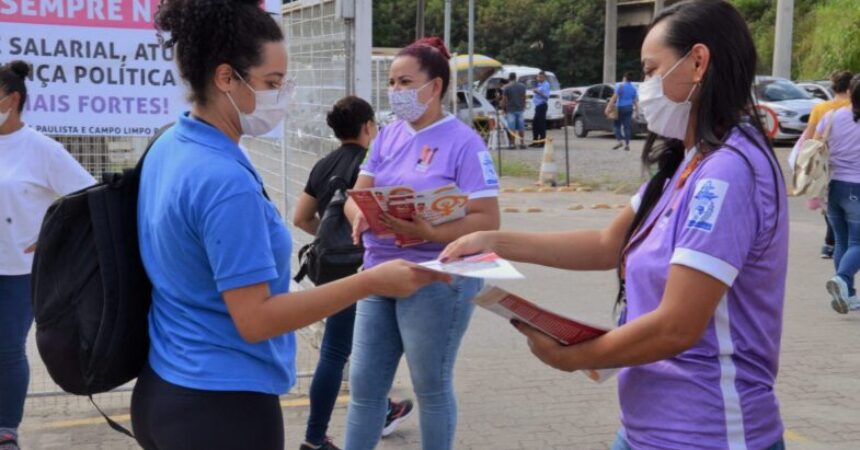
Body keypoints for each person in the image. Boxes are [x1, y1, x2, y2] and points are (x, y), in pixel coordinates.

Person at [442, 1, 788, 449]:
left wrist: (574, 358)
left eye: (650, 70)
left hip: (708, 434)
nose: (644, 88)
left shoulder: (726, 172)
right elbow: (608, 244)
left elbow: (675, 327)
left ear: (698, 62)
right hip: (649, 429)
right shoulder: (689, 163)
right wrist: (493, 241)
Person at [131, 2, 448, 450]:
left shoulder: (170, 143)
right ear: (226, 78)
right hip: (223, 407)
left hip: (165, 386)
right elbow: (257, 319)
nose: (282, 96)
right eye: (272, 83)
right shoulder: (224, 181)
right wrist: (371, 281)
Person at [343, 37, 501, 450]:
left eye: (405, 82)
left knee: (430, 385)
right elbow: (355, 195)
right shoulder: (387, 136)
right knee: (363, 386)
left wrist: (427, 232)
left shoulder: (465, 142)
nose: (395, 92)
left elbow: (487, 220)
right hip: (378, 273)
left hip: (435, 278)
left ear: (434, 88)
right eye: (392, 83)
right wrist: (359, 214)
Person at [292, 96, 414, 450]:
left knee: (335, 351)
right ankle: (331, 432)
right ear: (367, 127)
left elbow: (301, 217)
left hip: (331, 270)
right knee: (373, 348)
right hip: (367, 267)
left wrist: (330, 243)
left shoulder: (322, 165)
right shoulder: (371, 164)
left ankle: (319, 434)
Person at [0, 60, 96, 450]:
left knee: (5, 349)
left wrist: (53, 237)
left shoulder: (41, 149)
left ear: (12, 99)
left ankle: (6, 429)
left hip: (18, 271)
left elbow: (88, 197)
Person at [819, 75, 860, 314]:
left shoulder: (832, 116)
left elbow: (817, 144)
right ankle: (842, 279)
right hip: (857, 188)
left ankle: (850, 295)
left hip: (833, 187)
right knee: (857, 242)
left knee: (843, 242)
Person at [804, 70, 853, 259]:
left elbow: (810, 139)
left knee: (831, 205)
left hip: (826, 166)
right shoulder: (852, 108)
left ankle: (830, 242)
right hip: (852, 170)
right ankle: (835, 243)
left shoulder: (821, 109)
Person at [612, 72, 639, 151]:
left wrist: (609, 107)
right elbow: (635, 101)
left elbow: (615, 97)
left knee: (616, 125)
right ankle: (627, 145)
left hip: (620, 107)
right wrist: (637, 111)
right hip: (629, 108)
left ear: (625, 78)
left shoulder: (619, 86)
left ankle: (619, 141)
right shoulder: (634, 88)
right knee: (627, 127)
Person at [502, 72, 527, 149]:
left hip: (511, 109)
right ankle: (522, 143)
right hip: (520, 109)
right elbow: (524, 97)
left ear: (509, 78)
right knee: (521, 127)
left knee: (512, 127)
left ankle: (512, 144)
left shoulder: (506, 87)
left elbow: (504, 100)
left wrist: (503, 109)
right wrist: (523, 106)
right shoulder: (523, 86)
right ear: (516, 78)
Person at [530, 71, 551, 147]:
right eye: (537, 77)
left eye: (539, 77)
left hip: (542, 105)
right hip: (537, 105)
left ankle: (542, 142)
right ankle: (535, 141)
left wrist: (538, 92)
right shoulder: (539, 84)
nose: (538, 78)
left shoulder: (546, 85)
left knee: (541, 124)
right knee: (535, 123)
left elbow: (546, 96)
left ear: (543, 77)